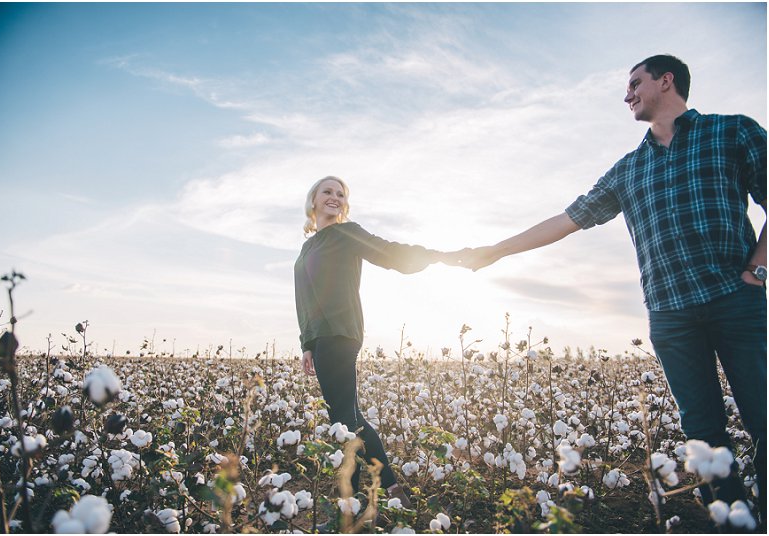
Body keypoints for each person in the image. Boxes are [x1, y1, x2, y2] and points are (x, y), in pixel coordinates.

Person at [451, 55, 767, 524]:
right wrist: (495, 250)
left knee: (763, 410)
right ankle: (734, 519)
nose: (627, 95)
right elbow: (567, 219)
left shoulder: (733, 132)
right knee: (701, 431)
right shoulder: (629, 168)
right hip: (670, 315)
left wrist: (757, 271)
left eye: (635, 84)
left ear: (666, 81)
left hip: (735, 299)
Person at [294, 175, 443, 508]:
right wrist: (306, 341)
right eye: (327, 192)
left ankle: (385, 489)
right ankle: (363, 490)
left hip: (341, 331)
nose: (334, 197)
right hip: (319, 337)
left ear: (344, 204)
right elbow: (303, 297)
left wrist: (431, 255)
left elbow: (387, 252)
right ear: (313, 200)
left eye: (340, 194)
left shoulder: (346, 233)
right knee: (347, 416)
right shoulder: (307, 247)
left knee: (345, 417)